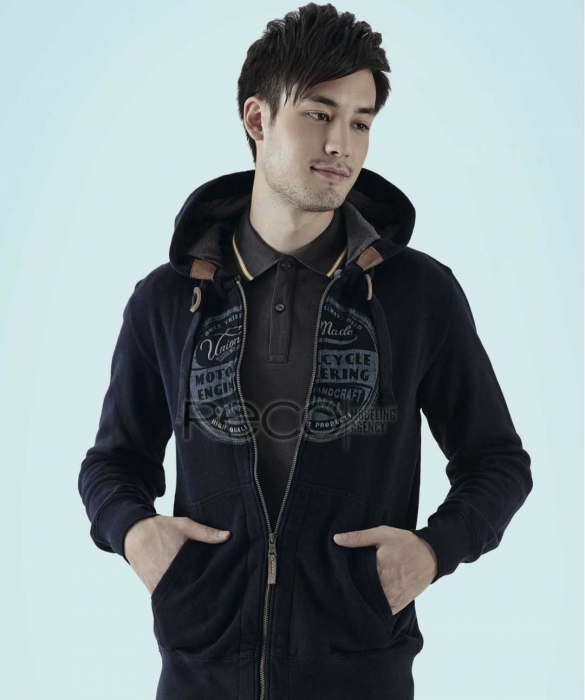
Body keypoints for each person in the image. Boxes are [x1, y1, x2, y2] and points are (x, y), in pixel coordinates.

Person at [78, 3, 533, 699]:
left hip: (361, 670)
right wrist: (135, 533)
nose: (341, 144)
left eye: (360, 122)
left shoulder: (419, 295)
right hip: (202, 672)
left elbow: (496, 462)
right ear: (258, 119)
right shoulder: (168, 300)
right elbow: (113, 463)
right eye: (320, 114)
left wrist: (432, 551)